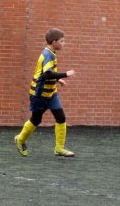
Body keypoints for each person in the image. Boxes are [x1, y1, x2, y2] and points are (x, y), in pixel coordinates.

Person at [14, 28, 76, 157]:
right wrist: (65, 74)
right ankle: (20, 139)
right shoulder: (47, 54)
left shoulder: (51, 53)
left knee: (61, 118)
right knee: (36, 120)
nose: (64, 44)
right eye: (62, 41)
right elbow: (47, 74)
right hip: (39, 94)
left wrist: (58, 79)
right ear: (54, 42)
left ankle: (59, 148)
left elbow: (47, 73)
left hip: (51, 93)